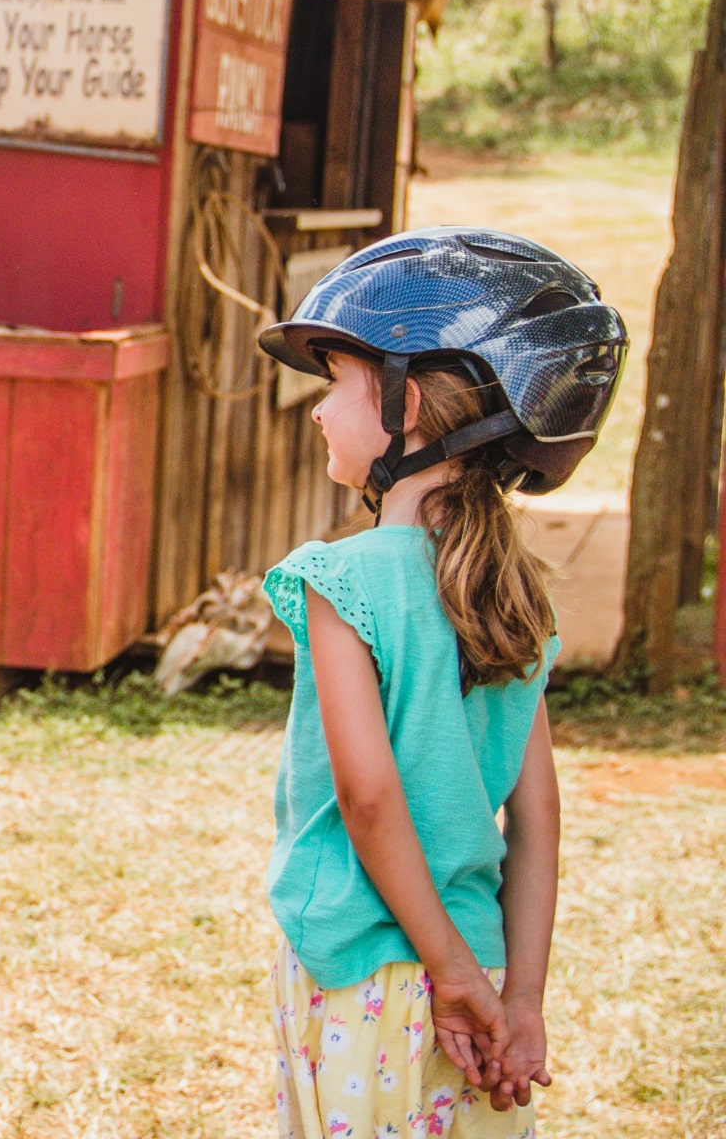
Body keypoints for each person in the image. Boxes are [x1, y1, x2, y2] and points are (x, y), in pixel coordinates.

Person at [255, 228, 627, 1139]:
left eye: (335, 383)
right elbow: (538, 821)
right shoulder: (513, 598)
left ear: (404, 402)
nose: (317, 411)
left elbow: (368, 797)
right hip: (482, 987)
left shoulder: (339, 580)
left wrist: (449, 976)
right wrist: (517, 996)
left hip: (362, 977)